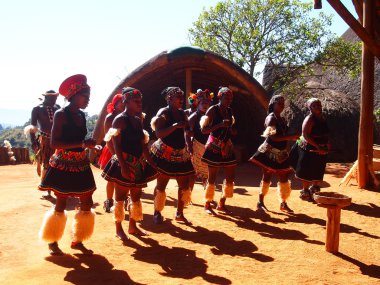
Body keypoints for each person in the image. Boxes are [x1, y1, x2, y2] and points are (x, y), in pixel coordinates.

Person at [38, 74, 101, 256]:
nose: (88, 100)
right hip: (64, 163)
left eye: (89, 97)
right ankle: (53, 241)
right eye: (85, 97)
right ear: (73, 95)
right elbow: (55, 143)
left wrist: (88, 144)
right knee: (62, 201)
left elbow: (79, 139)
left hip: (80, 163)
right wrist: (82, 144)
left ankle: (78, 238)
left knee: (87, 201)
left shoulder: (81, 115)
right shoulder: (61, 114)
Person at [101, 87, 157, 242]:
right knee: (120, 197)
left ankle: (133, 226)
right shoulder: (120, 119)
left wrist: (151, 161)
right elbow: (116, 144)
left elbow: (142, 144)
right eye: (136, 101)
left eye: (140, 101)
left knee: (136, 196)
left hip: (138, 163)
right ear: (126, 101)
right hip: (124, 163)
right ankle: (118, 229)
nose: (140, 104)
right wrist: (123, 165)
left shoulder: (138, 120)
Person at [150, 87, 195, 224]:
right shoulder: (163, 113)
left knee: (184, 184)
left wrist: (189, 142)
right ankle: (157, 212)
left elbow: (187, 131)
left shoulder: (182, 113)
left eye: (182, 97)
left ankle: (179, 213)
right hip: (166, 152)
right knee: (162, 184)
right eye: (178, 97)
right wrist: (175, 126)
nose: (181, 100)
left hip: (180, 152)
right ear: (169, 98)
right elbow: (158, 134)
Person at [249, 95, 299, 213]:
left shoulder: (281, 119)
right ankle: (260, 202)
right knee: (267, 175)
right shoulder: (271, 118)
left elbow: (282, 136)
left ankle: (283, 202)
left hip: (281, 153)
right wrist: (290, 136)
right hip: (269, 151)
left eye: (283, 103)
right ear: (273, 105)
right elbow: (273, 137)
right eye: (279, 103)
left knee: (284, 177)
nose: (281, 105)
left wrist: (291, 139)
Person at [200, 87, 237, 215]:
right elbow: (204, 130)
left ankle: (222, 204)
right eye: (226, 98)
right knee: (212, 178)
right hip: (214, 146)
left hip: (227, 146)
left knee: (230, 177)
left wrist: (231, 130)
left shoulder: (229, 110)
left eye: (231, 98)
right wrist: (220, 125)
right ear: (219, 97)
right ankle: (207, 204)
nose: (229, 100)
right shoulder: (212, 110)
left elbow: (230, 128)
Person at [24, 90, 60, 199]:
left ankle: (59, 188)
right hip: (45, 140)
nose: (55, 100)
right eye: (53, 98)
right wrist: (33, 141)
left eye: (56, 98)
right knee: (46, 163)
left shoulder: (57, 107)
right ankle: (47, 189)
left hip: (59, 140)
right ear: (46, 98)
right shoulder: (37, 109)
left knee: (60, 163)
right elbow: (33, 127)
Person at [292, 98, 329, 202]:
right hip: (309, 147)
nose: (318, 107)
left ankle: (315, 189)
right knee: (307, 169)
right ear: (310, 108)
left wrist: (326, 145)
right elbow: (305, 135)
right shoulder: (309, 119)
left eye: (319, 105)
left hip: (321, 148)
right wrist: (317, 147)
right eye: (315, 106)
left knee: (318, 168)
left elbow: (326, 134)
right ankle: (305, 191)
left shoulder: (322, 118)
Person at [98, 93, 124, 213]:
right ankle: (109, 201)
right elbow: (107, 139)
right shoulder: (109, 118)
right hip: (112, 150)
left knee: (124, 178)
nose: (123, 104)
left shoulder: (126, 116)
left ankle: (122, 201)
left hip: (124, 149)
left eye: (124, 102)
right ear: (115, 104)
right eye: (121, 102)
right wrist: (115, 155)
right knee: (112, 179)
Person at [185, 89, 213, 190]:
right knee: (193, 173)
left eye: (207, 102)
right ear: (198, 103)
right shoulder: (194, 116)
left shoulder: (211, 116)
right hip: (197, 147)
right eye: (203, 103)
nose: (205, 105)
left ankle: (208, 197)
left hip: (208, 147)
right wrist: (189, 147)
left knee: (208, 174)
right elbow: (186, 133)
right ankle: (188, 194)